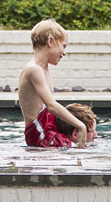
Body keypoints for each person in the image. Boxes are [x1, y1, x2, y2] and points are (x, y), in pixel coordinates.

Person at [19, 18, 92, 148]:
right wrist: (80, 125)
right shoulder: (34, 70)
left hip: (46, 128)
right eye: (63, 46)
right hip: (39, 132)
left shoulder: (44, 69)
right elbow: (51, 105)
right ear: (50, 42)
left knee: (84, 144)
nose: (64, 53)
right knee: (76, 150)